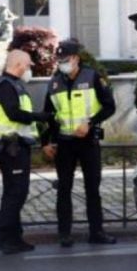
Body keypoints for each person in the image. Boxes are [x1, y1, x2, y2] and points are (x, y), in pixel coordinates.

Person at [41, 39, 117, 247]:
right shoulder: (54, 82)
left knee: (92, 189)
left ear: (76, 58)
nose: (61, 63)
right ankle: (64, 234)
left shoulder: (92, 77)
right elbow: (49, 115)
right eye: (59, 60)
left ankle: (97, 232)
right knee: (64, 189)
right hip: (64, 144)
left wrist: (90, 123)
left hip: (87, 142)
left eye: (65, 59)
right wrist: (45, 142)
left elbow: (110, 107)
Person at [0, 50, 50, 254]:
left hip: (16, 146)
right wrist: (40, 117)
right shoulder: (5, 85)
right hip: (9, 147)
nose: (30, 69)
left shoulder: (14, 84)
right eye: (28, 65)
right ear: (19, 64)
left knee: (13, 193)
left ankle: (14, 237)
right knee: (17, 193)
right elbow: (14, 113)